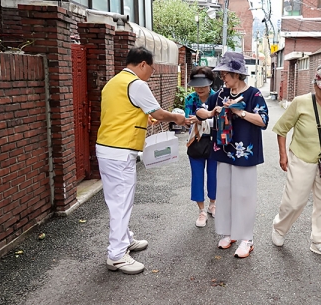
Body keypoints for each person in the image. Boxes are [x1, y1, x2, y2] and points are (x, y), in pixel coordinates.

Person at [96, 46, 187, 275]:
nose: (151, 75)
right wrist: (177, 117)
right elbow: (158, 112)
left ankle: (124, 240)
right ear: (143, 64)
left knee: (116, 199)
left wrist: (144, 116)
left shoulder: (114, 82)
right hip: (120, 150)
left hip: (107, 148)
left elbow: (122, 112)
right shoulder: (136, 83)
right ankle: (116, 255)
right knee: (121, 202)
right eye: (151, 70)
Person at [271, 63, 321, 259]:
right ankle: (279, 229)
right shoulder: (300, 102)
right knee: (294, 201)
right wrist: (283, 155)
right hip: (301, 158)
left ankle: (319, 241)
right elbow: (281, 130)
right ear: (315, 85)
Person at [196, 52, 269, 258]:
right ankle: (229, 233)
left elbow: (263, 121)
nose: (223, 78)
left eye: (226, 74)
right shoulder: (220, 94)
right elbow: (201, 111)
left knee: (244, 195)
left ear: (237, 74)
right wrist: (211, 113)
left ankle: (247, 238)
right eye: (222, 74)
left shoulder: (253, 94)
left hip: (245, 152)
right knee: (225, 194)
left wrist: (239, 112)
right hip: (223, 151)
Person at [184, 67, 217, 228]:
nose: (200, 89)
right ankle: (201, 211)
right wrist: (203, 118)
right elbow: (187, 119)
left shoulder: (218, 98)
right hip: (196, 141)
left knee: (214, 175)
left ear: (210, 82)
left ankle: (213, 204)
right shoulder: (190, 99)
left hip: (214, 142)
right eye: (196, 85)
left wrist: (200, 119)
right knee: (197, 176)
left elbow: (221, 121)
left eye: (203, 85)